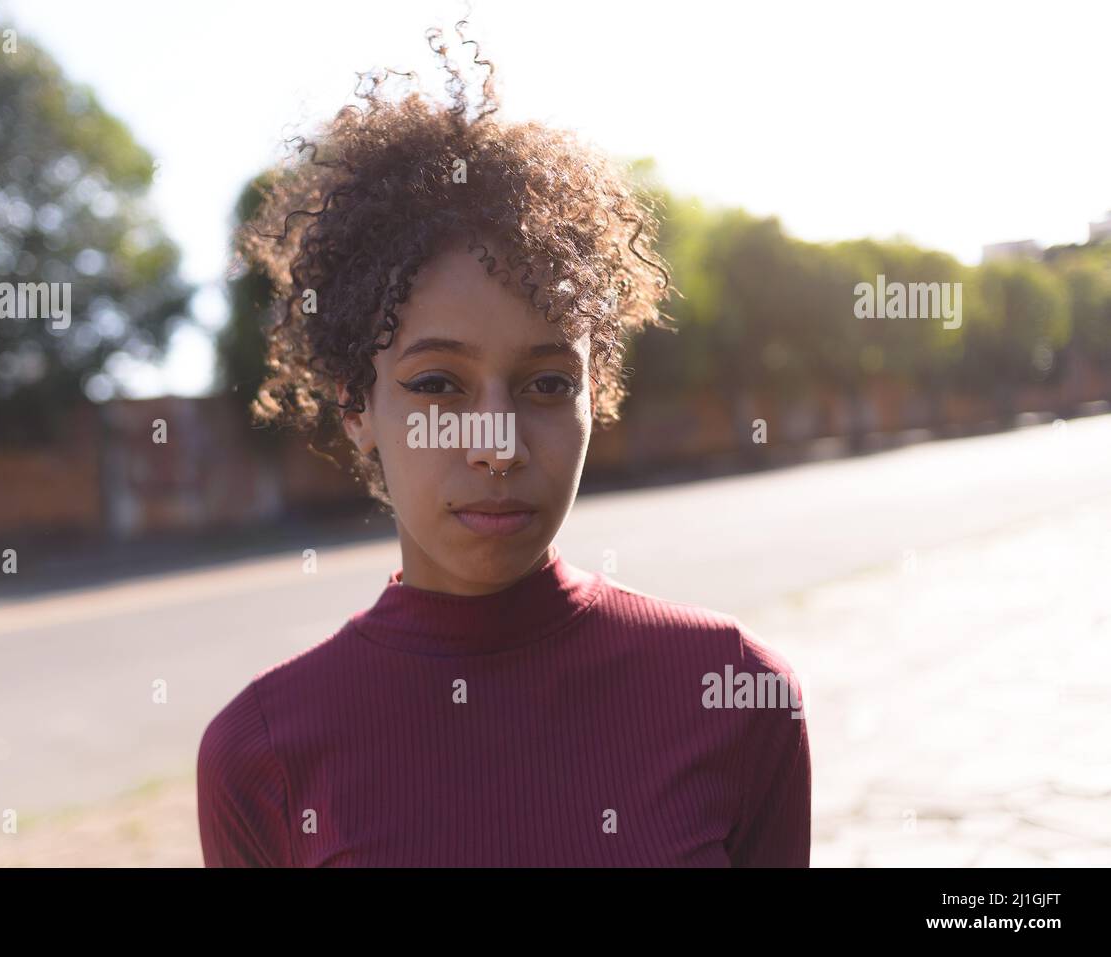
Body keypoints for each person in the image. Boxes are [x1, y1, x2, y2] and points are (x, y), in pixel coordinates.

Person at [197, 19, 810, 867]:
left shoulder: (737, 694)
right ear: (354, 403)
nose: (499, 447)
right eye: (439, 385)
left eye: (548, 384)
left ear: (600, 395)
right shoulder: (262, 756)